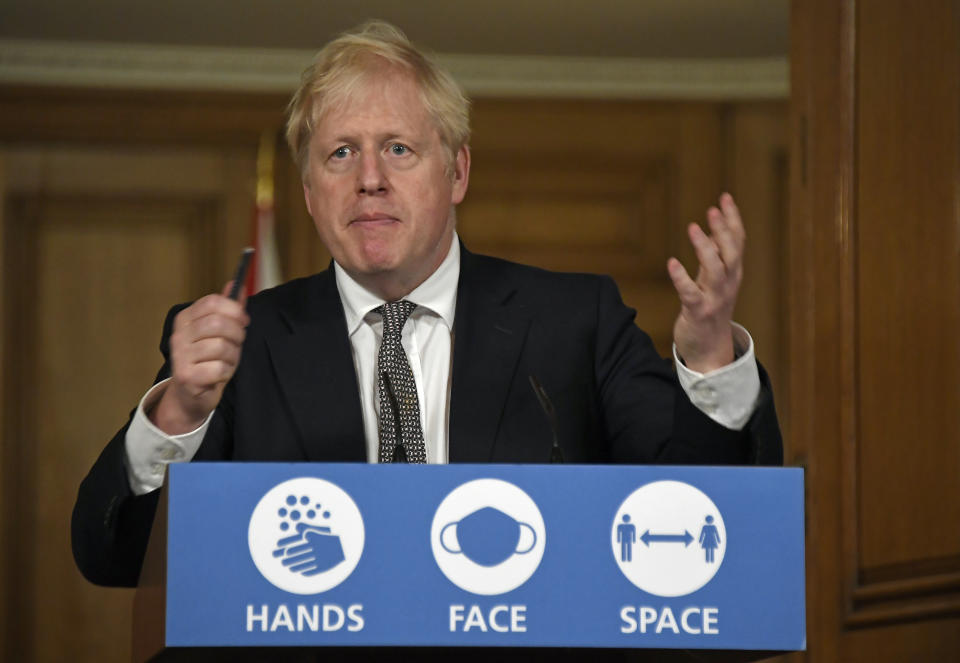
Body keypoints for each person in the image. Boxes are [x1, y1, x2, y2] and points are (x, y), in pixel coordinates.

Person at [72, 20, 781, 588]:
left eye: (399, 148)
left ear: (458, 170)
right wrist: (178, 416)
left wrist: (711, 352)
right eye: (340, 154)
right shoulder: (240, 349)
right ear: (311, 191)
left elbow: (702, 518)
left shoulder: (576, 322)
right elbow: (116, 557)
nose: (370, 179)